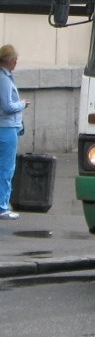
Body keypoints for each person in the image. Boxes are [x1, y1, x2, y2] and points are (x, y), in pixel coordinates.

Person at [0, 45, 29, 221]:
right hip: (6, 128)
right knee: (6, 168)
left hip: (6, 127)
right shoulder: (3, 79)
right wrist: (22, 104)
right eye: (15, 60)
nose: (16, 63)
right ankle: (2, 206)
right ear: (10, 61)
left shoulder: (5, 77)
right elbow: (8, 106)